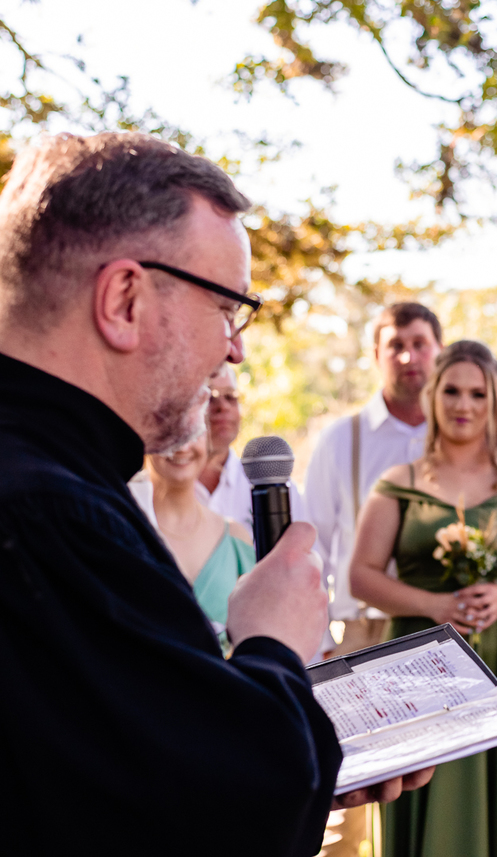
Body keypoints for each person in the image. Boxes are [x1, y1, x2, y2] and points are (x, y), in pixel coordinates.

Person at [0, 131, 425, 857]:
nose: (237, 349)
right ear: (125, 298)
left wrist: (294, 739)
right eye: (229, 307)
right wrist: (270, 643)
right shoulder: (49, 512)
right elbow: (201, 817)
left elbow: (105, 767)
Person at [350, 340, 497, 857]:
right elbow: (361, 576)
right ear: (433, 396)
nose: (463, 405)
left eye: (477, 394)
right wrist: (433, 606)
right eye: (451, 391)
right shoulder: (398, 484)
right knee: (436, 793)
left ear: (493, 400)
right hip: (420, 659)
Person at [306, 302, 443, 657]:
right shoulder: (340, 440)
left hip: (449, 626)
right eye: (396, 346)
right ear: (376, 355)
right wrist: (321, 645)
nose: (408, 357)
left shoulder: (462, 438)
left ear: (439, 350)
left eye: (419, 344)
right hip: (363, 632)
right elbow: (313, 544)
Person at [144, 431, 256, 637]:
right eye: (170, 432)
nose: (182, 446)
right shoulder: (122, 531)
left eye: (193, 431)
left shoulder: (235, 539)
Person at [198, 363, 307, 541]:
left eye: (231, 397)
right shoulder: (158, 488)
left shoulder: (275, 486)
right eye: (210, 397)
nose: (223, 407)